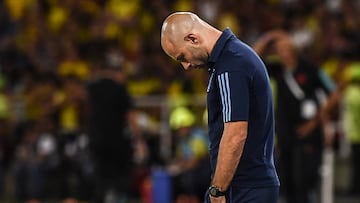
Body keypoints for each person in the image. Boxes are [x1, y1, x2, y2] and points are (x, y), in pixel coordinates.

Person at [160, 12, 280, 203]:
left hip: (243, 189)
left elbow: (235, 134)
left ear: (193, 38)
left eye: (182, 57)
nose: (185, 66)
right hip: (246, 185)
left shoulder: (231, 65)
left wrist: (217, 190)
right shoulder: (233, 59)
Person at [253, 30, 336, 203]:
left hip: (308, 137)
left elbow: (334, 94)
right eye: (279, 50)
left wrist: (314, 123)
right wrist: (268, 38)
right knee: (288, 183)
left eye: (286, 48)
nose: (283, 53)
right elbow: (252, 60)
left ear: (293, 50)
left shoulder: (310, 69)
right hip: (285, 136)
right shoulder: (278, 70)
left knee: (304, 183)